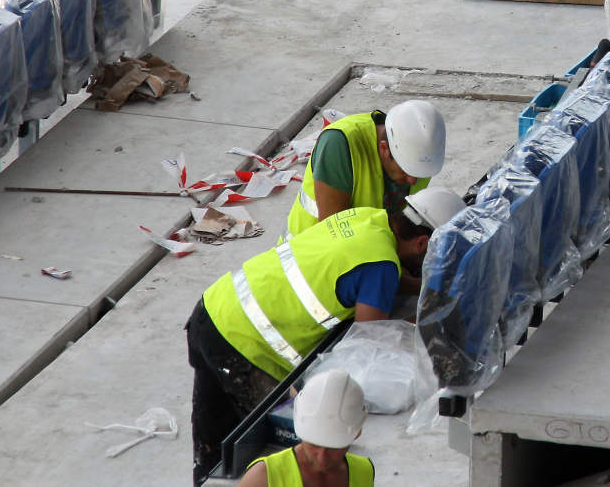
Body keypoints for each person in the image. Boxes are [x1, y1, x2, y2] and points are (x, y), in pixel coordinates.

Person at [187, 189, 467, 485]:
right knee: (298, 441)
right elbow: (370, 340)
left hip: (216, 306)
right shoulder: (381, 266)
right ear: (423, 242)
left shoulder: (368, 219)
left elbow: (362, 273)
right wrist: (430, 318)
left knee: (213, 443)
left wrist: (422, 288)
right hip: (243, 343)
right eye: (434, 257)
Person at [285, 101, 447, 241]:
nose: (413, 181)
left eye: (420, 173)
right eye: (406, 170)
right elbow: (333, 237)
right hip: (309, 259)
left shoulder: (421, 154)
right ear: (384, 149)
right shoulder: (339, 144)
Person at [236, 369, 373, 487]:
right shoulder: (263, 477)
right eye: (313, 444)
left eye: (333, 448)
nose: (322, 458)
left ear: (357, 433)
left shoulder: (363, 471)